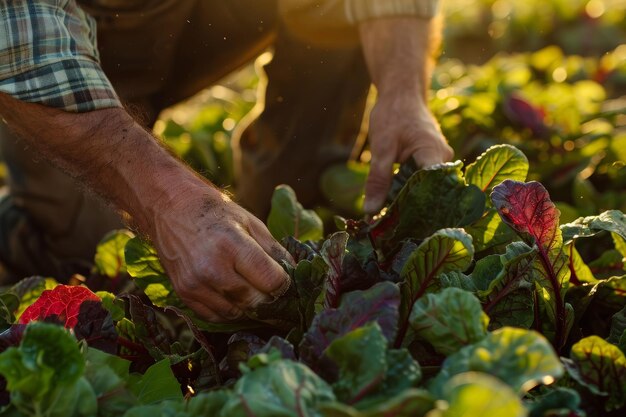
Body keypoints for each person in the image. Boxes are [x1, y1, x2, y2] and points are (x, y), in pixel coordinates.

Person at [0, 0, 453, 322]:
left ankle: (291, 193)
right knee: (98, 266)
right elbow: (19, 45)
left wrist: (403, 92)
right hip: (56, 39)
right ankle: (27, 234)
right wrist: (166, 200)